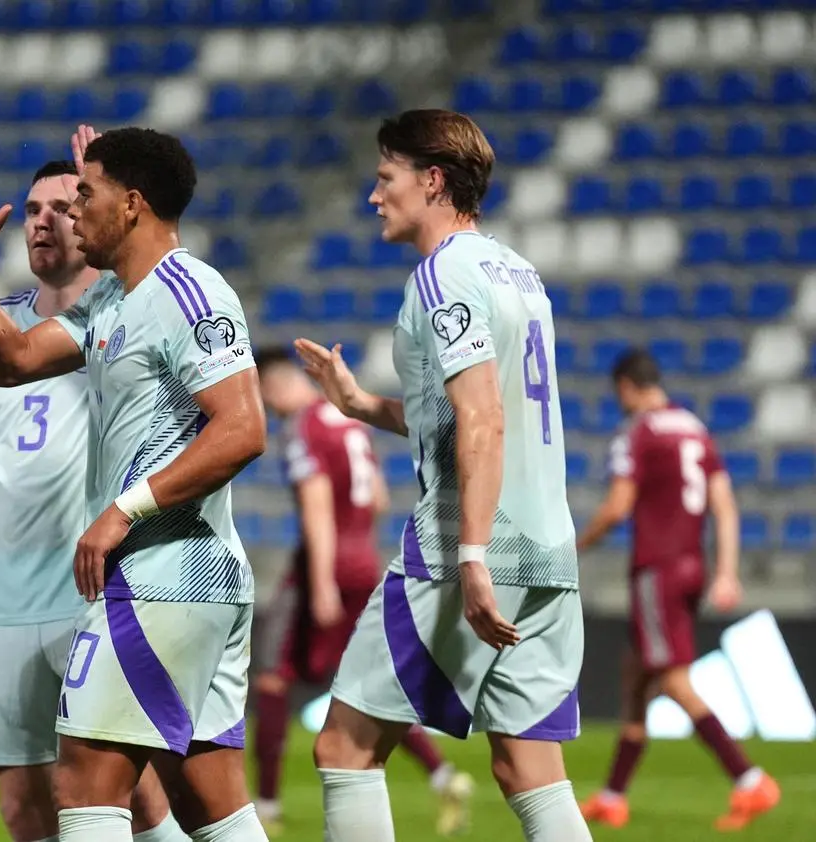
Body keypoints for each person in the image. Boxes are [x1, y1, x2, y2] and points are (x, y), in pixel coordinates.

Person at [0, 123, 270, 841]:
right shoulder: (113, 303)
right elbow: (7, 362)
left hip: (166, 576)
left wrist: (121, 512)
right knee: (208, 804)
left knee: (87, 783)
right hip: (172, 580)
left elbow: (242, 428)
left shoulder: (189, 291)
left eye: (85, 196)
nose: (71, 212)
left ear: (131, 205)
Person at [294, 108, 592, 842]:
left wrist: (471, 554)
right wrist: (362, 404)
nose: (374, 195)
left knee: (345, 748)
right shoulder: (516, 270)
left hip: (466, 550)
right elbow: (474, 417)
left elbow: (484, 420)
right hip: (549, 550)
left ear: (431, 181)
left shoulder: (442, 275)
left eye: (384, 177)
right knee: (528, 769)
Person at [253, 348, 475, 836]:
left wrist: (323, 582)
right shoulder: (349, 425)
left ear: (272, 386)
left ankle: (265, 807)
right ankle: (442, 774)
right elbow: (375, 497)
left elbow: (316, 509)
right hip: (363, 562)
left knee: (271, 678)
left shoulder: (304, 428)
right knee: (368, 688)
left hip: (323, 567)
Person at [575, 348, 780, 831]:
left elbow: (618, 506)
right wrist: (726, 571)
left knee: (671, 679)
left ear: (626, 386)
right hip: (693, 566)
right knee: (637, 676)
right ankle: (613, 795)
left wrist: (575, 545)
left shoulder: (639, 432)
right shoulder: (694, 428)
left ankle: (749, 779)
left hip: (657, 569)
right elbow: (724, 504)